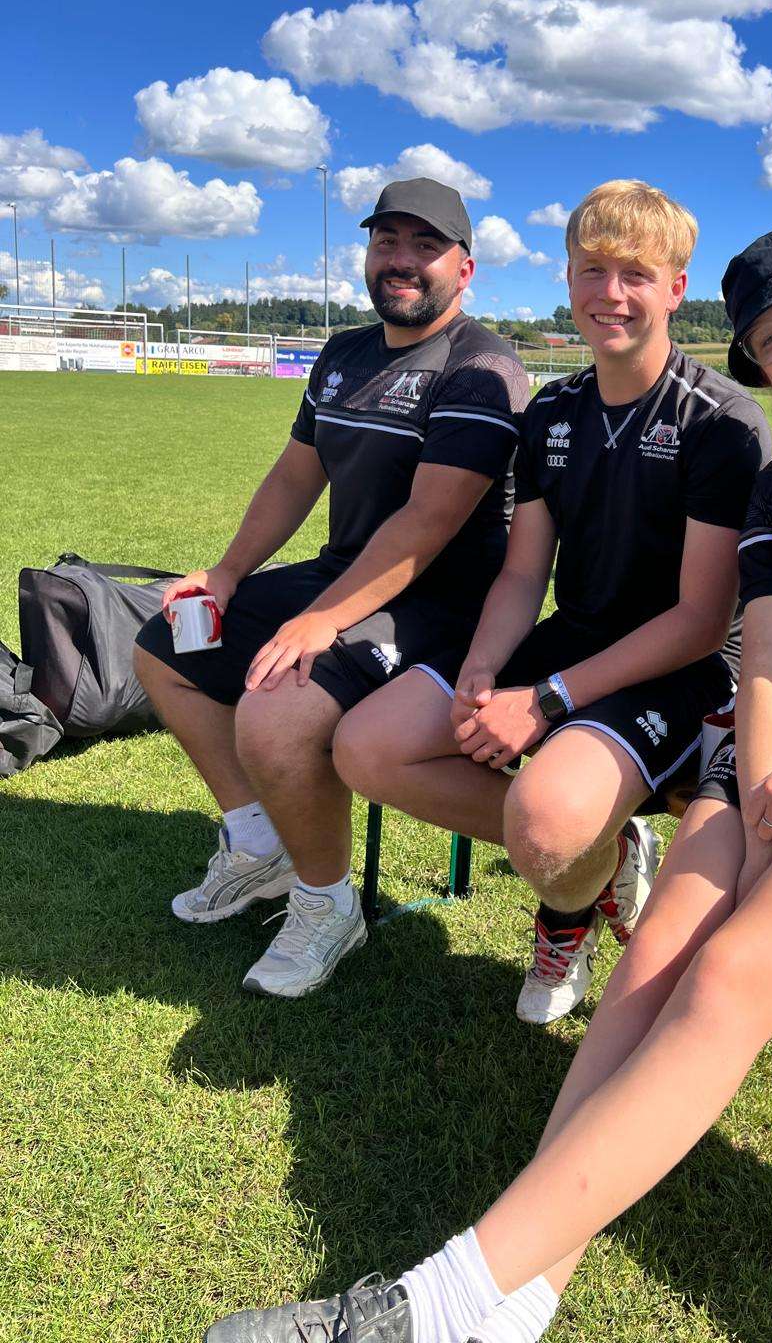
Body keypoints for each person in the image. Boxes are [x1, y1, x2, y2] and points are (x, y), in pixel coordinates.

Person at [206, 227, 772, 1343]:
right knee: (650, 965)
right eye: (769, 333)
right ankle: (520, 1295)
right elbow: (767, 672)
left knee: (732, 973)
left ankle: (436, 1307)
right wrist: (767, 788)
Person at [333, 179, 770, 1024]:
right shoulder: (553, 410)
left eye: (637, 274)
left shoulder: (722, 421)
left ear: (676, 290)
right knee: (367, 747)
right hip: (573, 637)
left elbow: (701, 622)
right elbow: (523, 575)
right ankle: (607, 852)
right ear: (567, 279)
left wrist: (544, 701)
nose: (612, 293)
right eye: (593, 270)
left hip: (685, 667)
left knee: (544, 823)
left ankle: (566, 902)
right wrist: (482, 670)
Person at [133, 178, 529, 998]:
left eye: (426, 246)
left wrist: (321, 619)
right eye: (387, 241)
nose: (402, 260)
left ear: (465, 268)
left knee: (275, 712)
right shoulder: (345, 353)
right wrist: (227, 573)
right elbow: (295, 475)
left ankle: (326, 904)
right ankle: (259, 846)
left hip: (440, 603)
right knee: (167, 643)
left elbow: (429, 520)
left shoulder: (482, 365)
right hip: (344, 574)